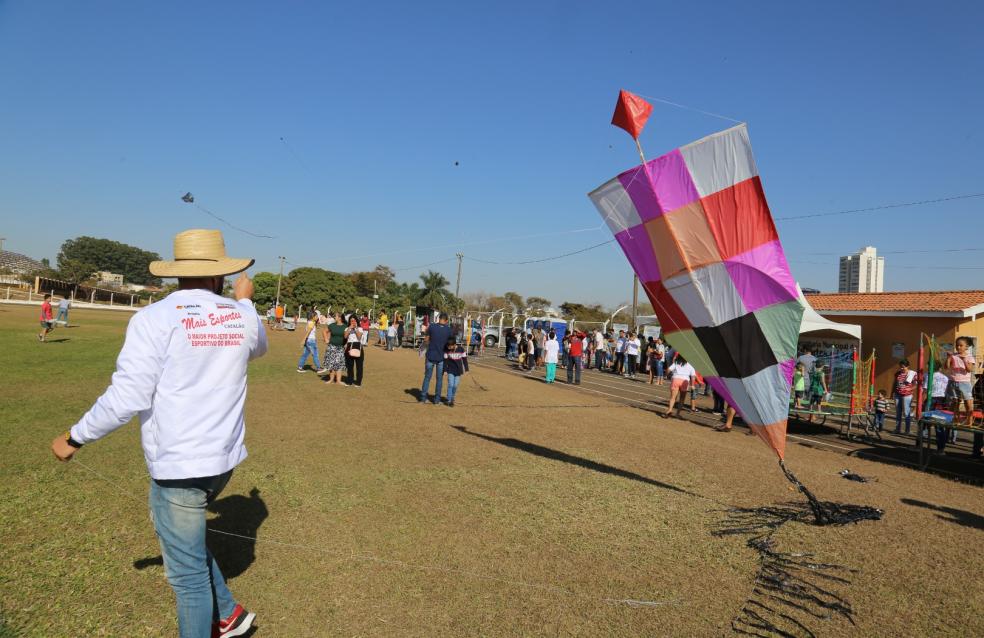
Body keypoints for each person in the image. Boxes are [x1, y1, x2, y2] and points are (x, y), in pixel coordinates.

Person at [50, 229, 265, 638]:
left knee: (186, 578)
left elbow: (127, 396)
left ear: (176, 274)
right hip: (222, 461)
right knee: (179, 535)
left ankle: (221, 619)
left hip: (179, 466)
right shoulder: (241, 316)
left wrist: (74, 437)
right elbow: (257, 344)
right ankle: (230, 615)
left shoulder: (154, 317)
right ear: (219, 274)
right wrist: (246, 300)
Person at [420, 313, 451, 404]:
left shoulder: (432, 327)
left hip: (430, 356)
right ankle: (437, 400)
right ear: (446, 321)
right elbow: (450, 344)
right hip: (441, 358)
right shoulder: (449, 330)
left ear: (439, 319)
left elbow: (426, 340)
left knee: (427, 378)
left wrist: (423, 348)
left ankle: (423, 398)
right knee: (439, 380)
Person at [945, 336, 976, 426]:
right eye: (957, 345)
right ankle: (955, 419)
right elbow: (946, 367)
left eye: (961, 345)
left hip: (964, 382)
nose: (958, 347)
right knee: (954, 402)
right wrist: (948, 358)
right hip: (953, 381)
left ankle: (969, 421)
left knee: (968, 402)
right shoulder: (953, 355)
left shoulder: (969, 357)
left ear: (966, 347)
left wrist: (964, 361)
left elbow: (970, 369)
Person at [892, 359, 917, 434]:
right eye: (900, 367)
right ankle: (897, 429)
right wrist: (892, 393)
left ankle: (907, 430)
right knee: (898, 412)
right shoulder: (897, 373)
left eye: (903, 367)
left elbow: (916, 384)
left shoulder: (912, 374)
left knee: (906, 412)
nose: (901, 368)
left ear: (908, 366)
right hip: (897, 394)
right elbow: (894, 383)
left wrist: (910, 388)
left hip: (907, 395)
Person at [322, 312, 346, 385]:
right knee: (331, 364)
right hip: (331, 347)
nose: (334, 317)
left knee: (339, 364)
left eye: (335, 316)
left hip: (341, 348)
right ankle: (331, 380)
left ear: (340, 317)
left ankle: (338, 381)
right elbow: (324, 331)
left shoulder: (345, 326)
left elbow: (347, 336)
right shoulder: (332, 325)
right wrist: (326, 339)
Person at [443, 337, 469, 406]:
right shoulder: (446, 350)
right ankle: (448, 400)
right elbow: (445, 361)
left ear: (454, 345)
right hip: (450, 370)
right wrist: (445, 370)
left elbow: (464, 360)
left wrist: (466, 369)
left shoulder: (461, 349)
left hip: (458, 371)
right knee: (450, 384)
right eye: (448, 346)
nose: (448, 347)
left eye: (450, 346)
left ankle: (452, 397)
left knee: (455, 385)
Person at [343, 314, 365, 387]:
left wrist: (355, 329)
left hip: (358, 346)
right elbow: (345, 336)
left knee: (359, 366)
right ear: (349, 321)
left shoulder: (360, 328)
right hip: (349, 346)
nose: (353, 322)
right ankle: (349, 380)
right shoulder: (347, 328)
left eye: (354, 320)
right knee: (349, 365)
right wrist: (349, 328)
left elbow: (359, 338)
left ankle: (358, 382)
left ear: (356, 321)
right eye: (351, 320)